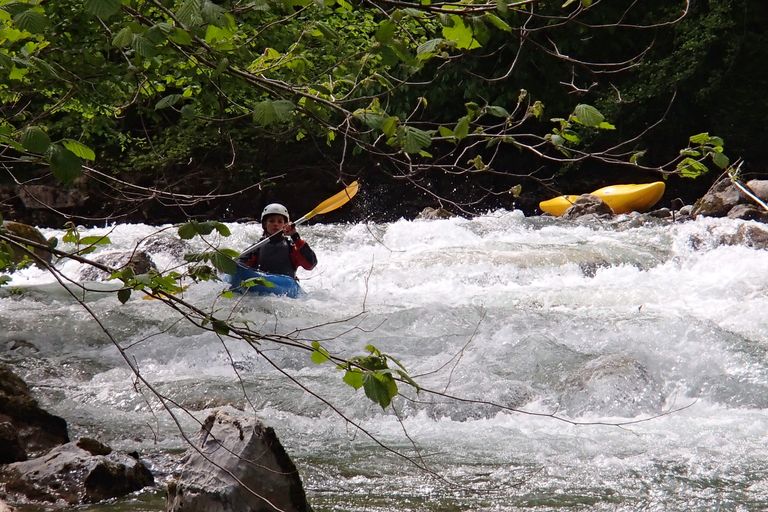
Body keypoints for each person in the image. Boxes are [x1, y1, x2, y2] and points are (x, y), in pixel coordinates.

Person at [238, 203, 317, 278]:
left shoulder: (292, 246)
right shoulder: (257, 247)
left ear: (285, 224)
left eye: (280, 221)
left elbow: (310, 264)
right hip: (261, 285)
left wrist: (295, 236)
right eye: (271, 221)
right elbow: (239, 266)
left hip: (285, 287)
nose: (276, 224)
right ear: (265, 224)